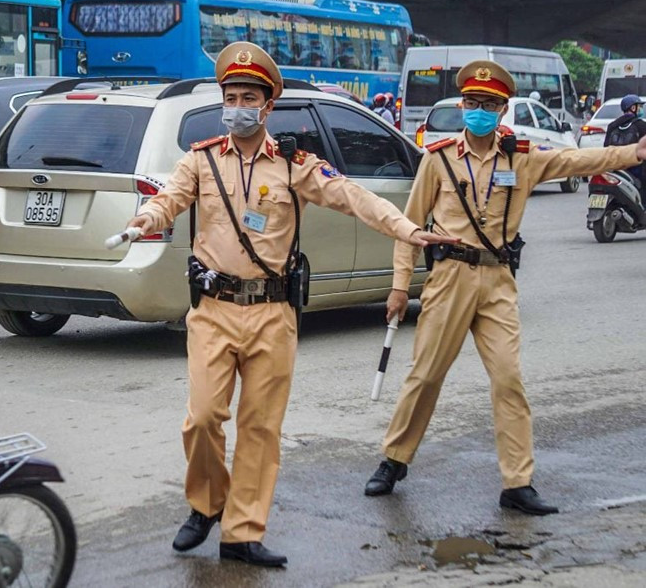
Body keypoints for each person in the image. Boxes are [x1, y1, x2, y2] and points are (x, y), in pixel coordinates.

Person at [126, 41, 450, 567]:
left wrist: (408, 228)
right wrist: (146, 219)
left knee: (260, 427)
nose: (237, 105)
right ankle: (207, 504)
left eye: (248, 96)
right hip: (213, 309)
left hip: (273, 315)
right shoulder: (201, 160)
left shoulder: (294, 165)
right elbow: (168, 200)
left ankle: (242, 533)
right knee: (204, 418)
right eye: (230, 95)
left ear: (268, 105)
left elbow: (352, 196)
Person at [364, 60, 646, 515]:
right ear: (462, 106)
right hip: (450, 278)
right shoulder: (438, 159)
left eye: (489, 104)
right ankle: (394, 460)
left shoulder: (522, 157)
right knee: (426, 376)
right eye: (472, 103)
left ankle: (517, 483)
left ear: (502, 109)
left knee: (508, 380)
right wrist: (400, 287)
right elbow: (410, 226)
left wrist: (633, 153)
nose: (479, 111)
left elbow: (575, 160)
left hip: (497, 279)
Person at [604, 94, 646, 199]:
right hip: (636, 170)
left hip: (616, 168)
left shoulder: (612, 125)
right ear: (633, 108)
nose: (641, 109)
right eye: (639, 106)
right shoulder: (641, 125)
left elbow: (606, 147)